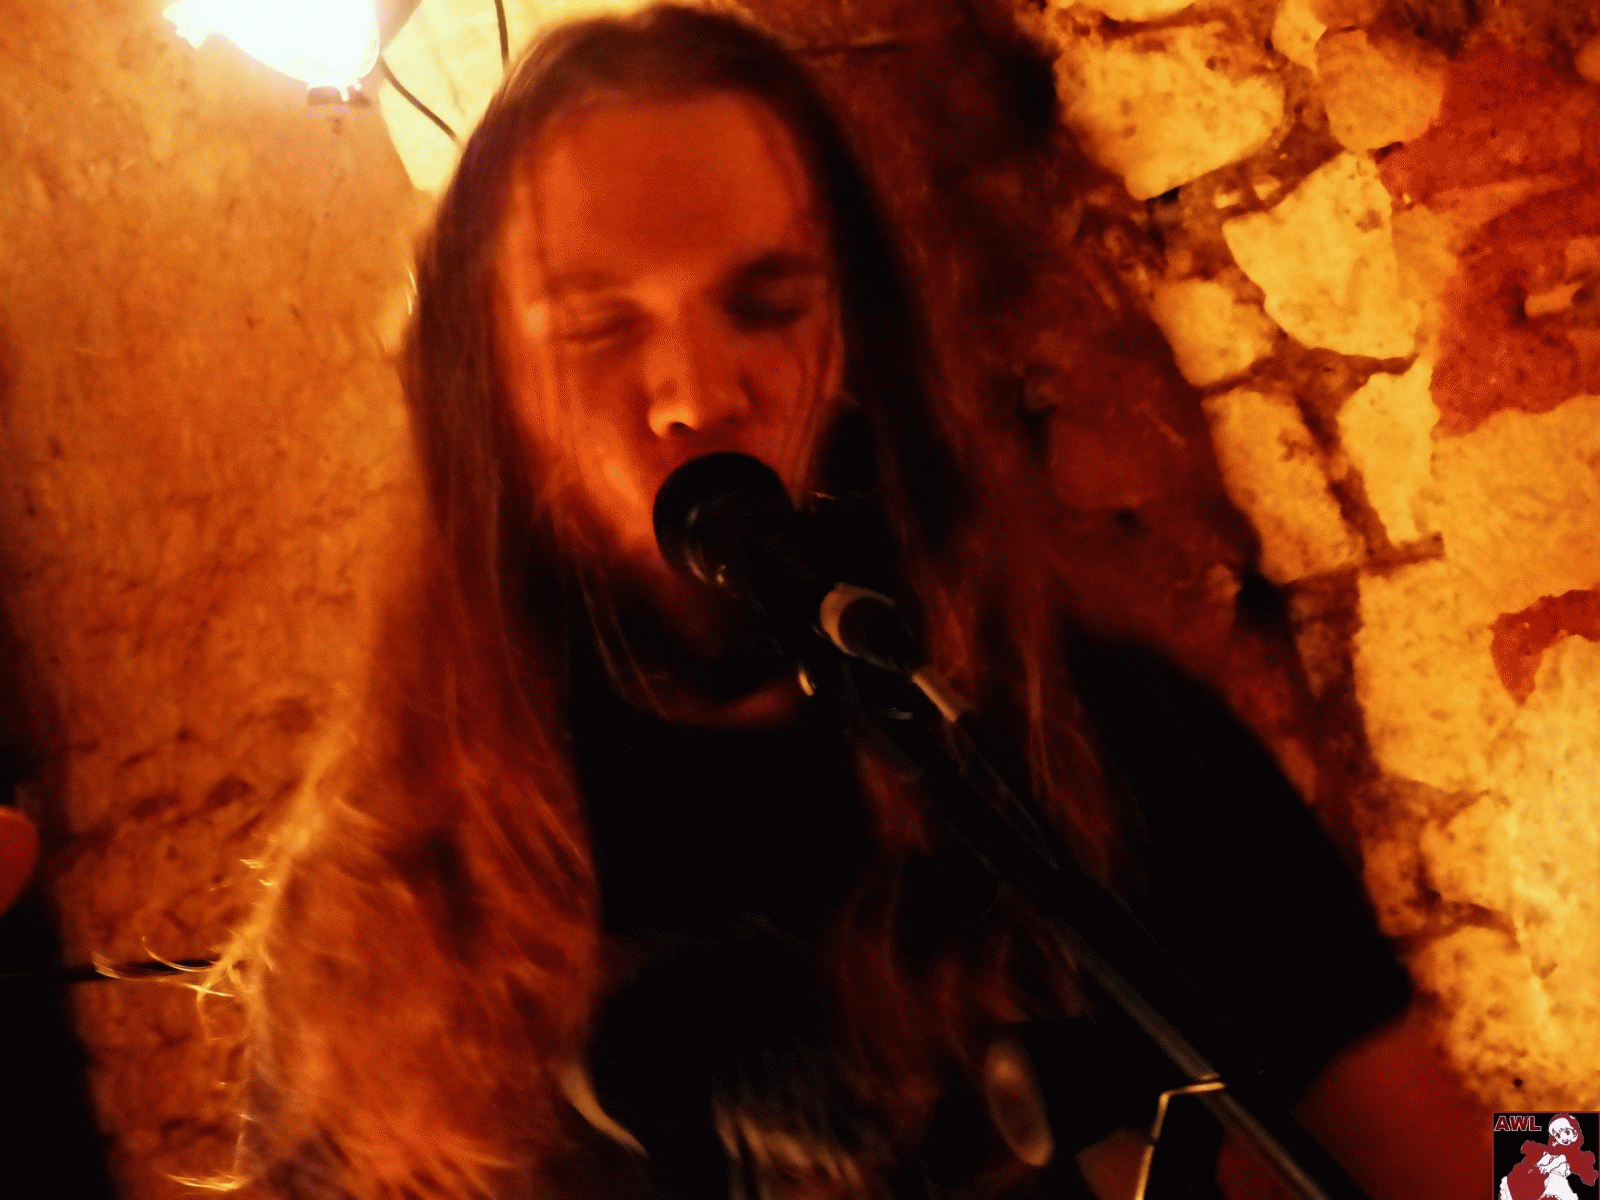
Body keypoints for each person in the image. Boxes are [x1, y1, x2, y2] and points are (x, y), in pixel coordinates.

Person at [218, 6, 1471, 1200]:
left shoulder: (1109, 748)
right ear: (482, 391)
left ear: (861, 338)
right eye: (598, 328)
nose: (696, 393)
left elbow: (1461, 1155)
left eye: (767, 307)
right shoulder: (381, 897)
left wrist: (1560, 1157)